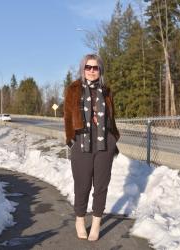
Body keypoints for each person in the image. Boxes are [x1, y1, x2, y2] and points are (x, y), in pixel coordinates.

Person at [63, 54, 120, 241]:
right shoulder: (73, 89)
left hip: (104, 143)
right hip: (81, 142)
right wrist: (70, 139)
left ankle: (96, 224)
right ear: (83, 68)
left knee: (101, 185)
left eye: (96, 68)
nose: (92, 71)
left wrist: (114, 139)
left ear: (100, 70)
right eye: (88, 67)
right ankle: (80, 220)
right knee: (82, 185)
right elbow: (67, 116)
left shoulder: (106, 90)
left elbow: (111, 116)